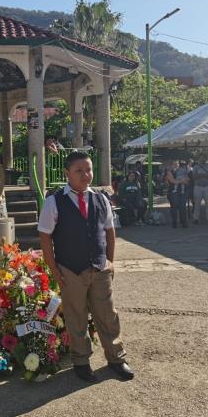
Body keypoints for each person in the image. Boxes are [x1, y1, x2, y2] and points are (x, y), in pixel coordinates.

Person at [38, 150, 133, 383]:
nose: (85, 175)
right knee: (76, 317)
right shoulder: (54, 201)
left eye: (88, 169)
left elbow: (109, 232)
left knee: (108, 315)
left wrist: (110, 261)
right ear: (67, 173)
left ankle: (116, 358)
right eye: (79, 171)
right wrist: (55, 272)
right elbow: (45, 238)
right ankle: (81, 361)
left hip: (99, 267)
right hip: (70, 269)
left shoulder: (101, 198)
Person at [165, 161, 189, 228]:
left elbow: (187, 180)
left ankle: (183, 222)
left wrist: (184, 180)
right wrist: (181, 181)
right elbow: (173, 181)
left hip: (182, 192)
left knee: (183, 207)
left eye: (177, 164)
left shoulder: (183, 171)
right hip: (173, 192)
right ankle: (174, 222)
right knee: (174, 207)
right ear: (171, 165)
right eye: (174, 164)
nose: (175, 165)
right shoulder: (169, 172)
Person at [192, 157, 208, 225]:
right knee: (197, 203)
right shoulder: (195, 166)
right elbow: (194, 176)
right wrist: (205, 175)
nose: (202, 159)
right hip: (198, 186)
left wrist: (200, 175)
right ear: (198, 159)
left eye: (203, 158)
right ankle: (196, 218)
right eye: (201, 158)